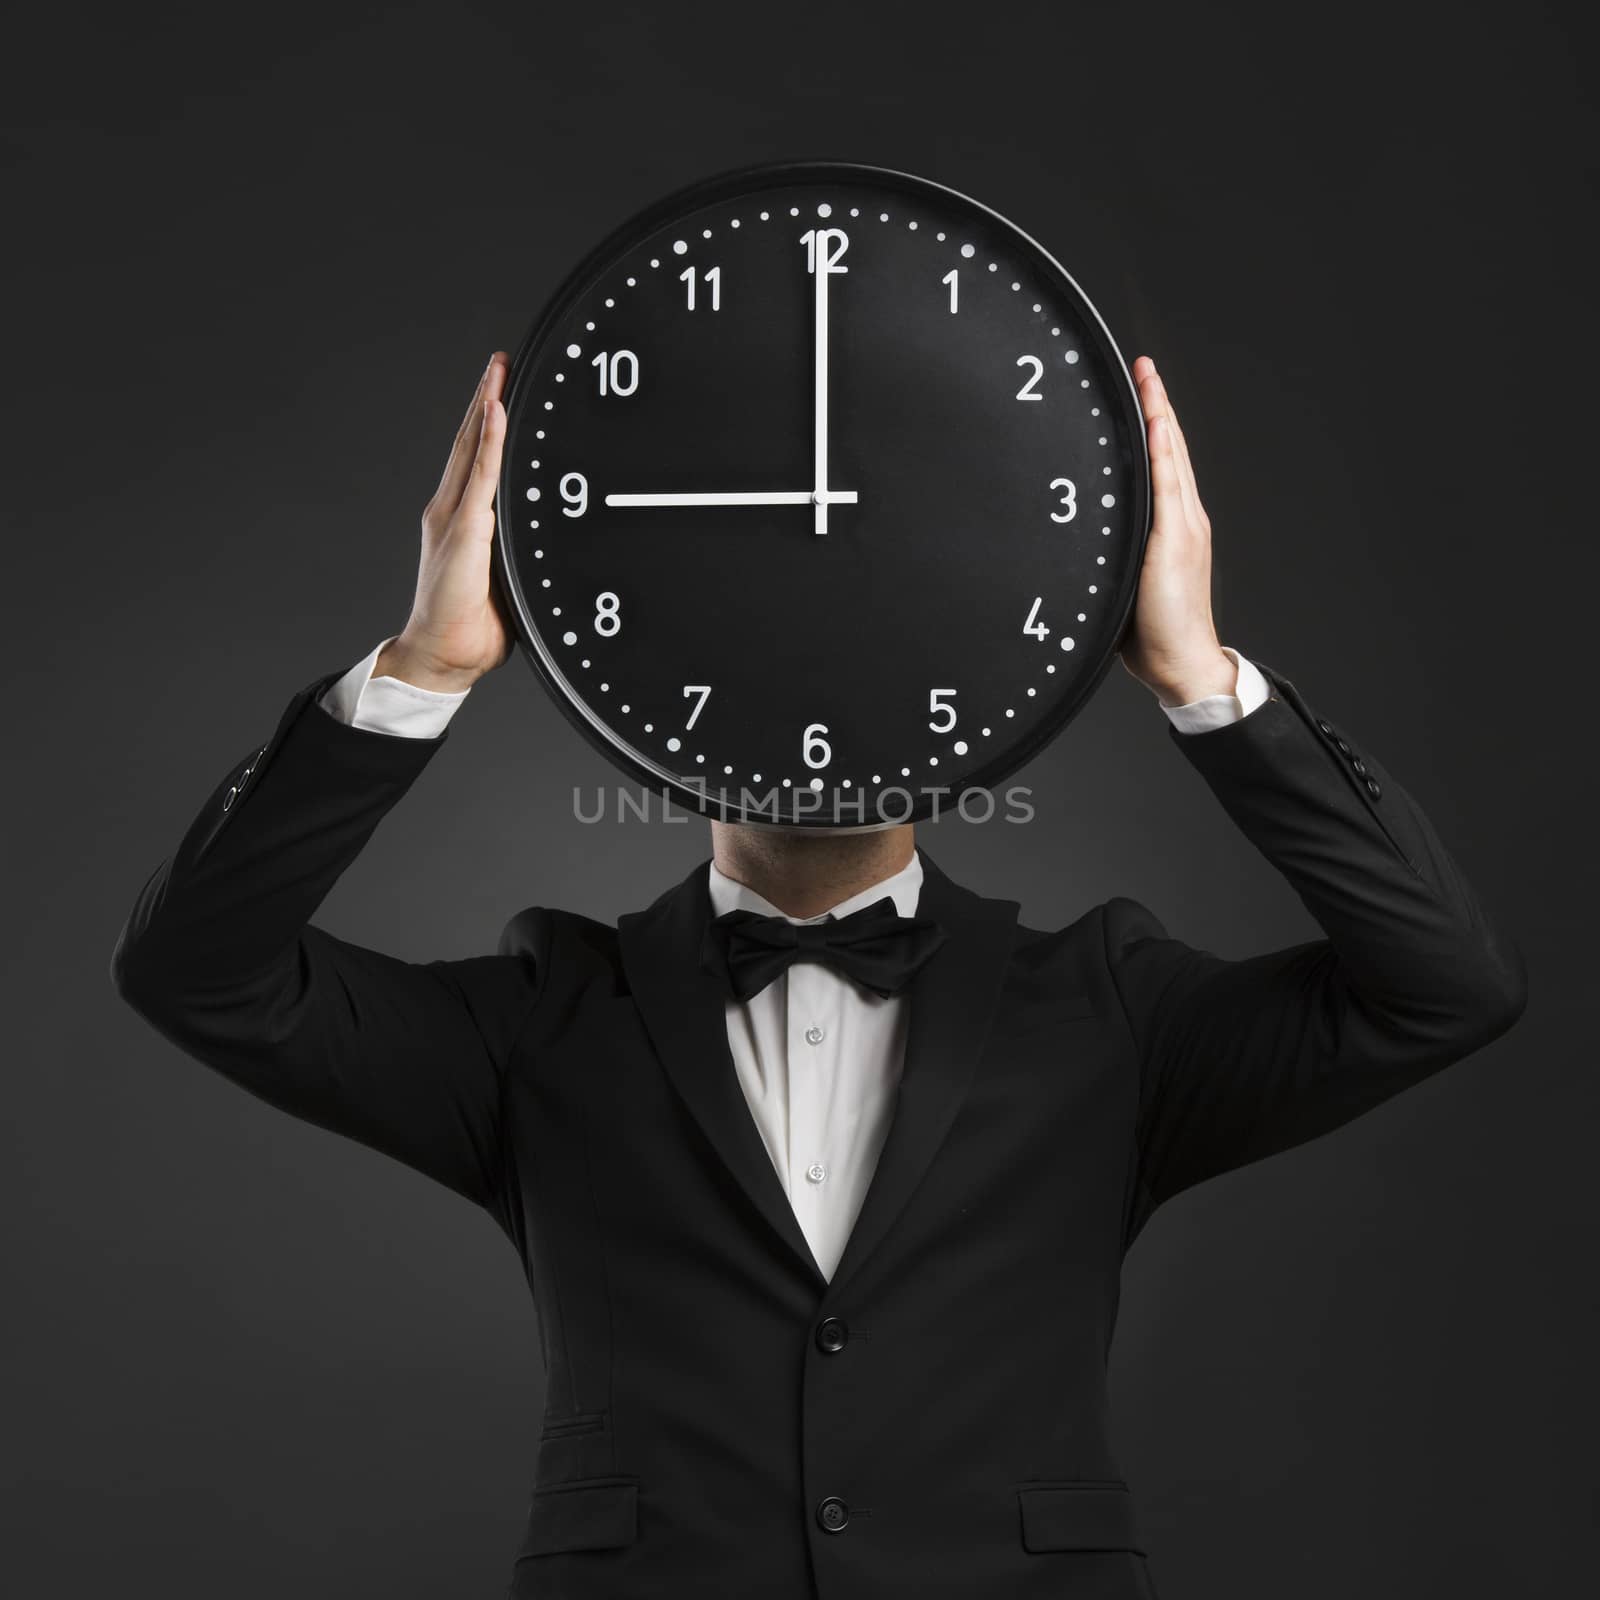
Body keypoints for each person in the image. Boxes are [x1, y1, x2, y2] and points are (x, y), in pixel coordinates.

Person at [110, 351, 1527, 1599]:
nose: (821, 704)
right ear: (660, 706)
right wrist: (423, 666)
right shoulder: (544, 1018)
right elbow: (198, 971)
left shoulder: (1108, 1010)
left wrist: (1200, 680)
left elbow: (1444, 986)